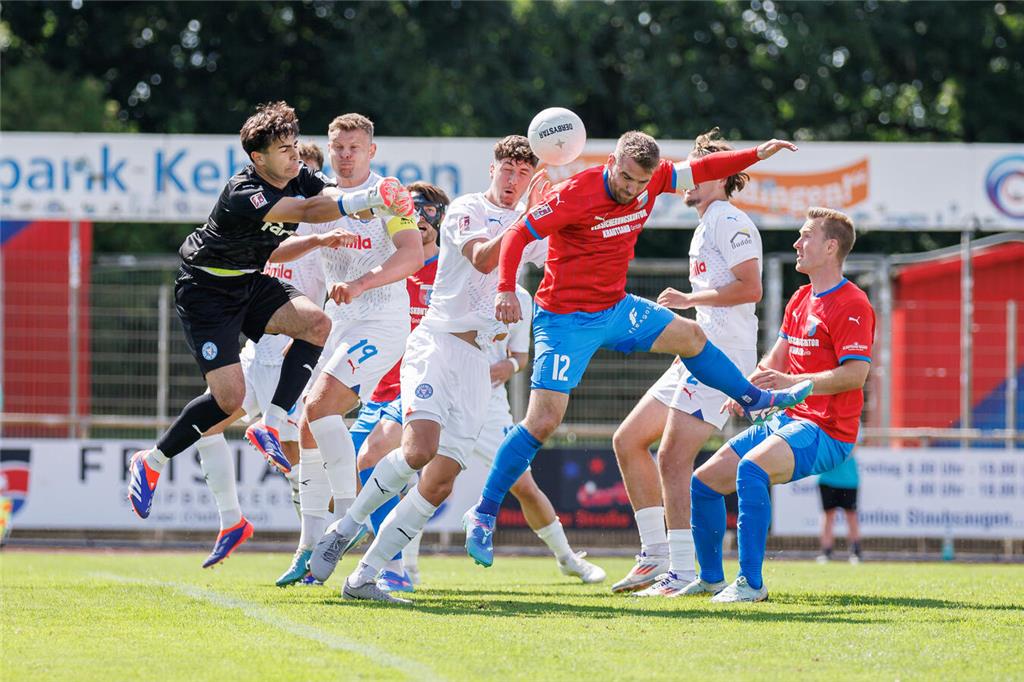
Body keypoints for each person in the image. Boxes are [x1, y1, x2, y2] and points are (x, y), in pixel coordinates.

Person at [464, 130, 809, 568]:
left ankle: (752, 397)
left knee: (691, 336)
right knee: (544, 420)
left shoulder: (658, 178)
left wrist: (757, 152)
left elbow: (705, 168)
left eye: (641, 183)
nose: (632, 189)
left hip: (615, 308)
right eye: (626, 178)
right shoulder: (576, 193)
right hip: (565, 320)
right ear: (612, 162)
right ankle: (484, 513)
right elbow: (516, 235)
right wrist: (504, 290)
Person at [126, 101, 414, 525]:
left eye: (295, 145)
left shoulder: (297, 173)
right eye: (284, 149)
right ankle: (152, 460)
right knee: (228, 400)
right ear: (258, 158)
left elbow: (327, 196)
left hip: (249, 281)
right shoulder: (245, 192)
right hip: (206, 290)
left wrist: (371, 202)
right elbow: (307, 211)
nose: (295, 155)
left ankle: (271, 423)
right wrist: (369, 197)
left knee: (316, 323)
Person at [308, 135, 548, 603]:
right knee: (419, 451)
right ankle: (346, 527)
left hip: (478, 362)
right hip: (437, 344)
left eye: (523, 173)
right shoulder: (467, 210)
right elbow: (484, 258)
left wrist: (564, 216)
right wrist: (531, 219)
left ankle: (365, 577)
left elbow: (557, 257)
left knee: (439, 482)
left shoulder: (529, 220)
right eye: (507, 169)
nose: (513, 180)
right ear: (493, 169)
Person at [688, 207, 875, 602]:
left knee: (751, 469)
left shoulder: (853, 303)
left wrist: (794, 383)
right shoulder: (802, 298)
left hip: (827, 430)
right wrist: (743, 391)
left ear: (830, 247)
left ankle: (751, 585)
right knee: (704, 482)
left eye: (806, 236)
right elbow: (775, 359)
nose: (796, 243)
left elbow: (856, 375)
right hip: (789, 419)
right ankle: (710, 579)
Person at [610, 128, 763, 596]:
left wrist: (688, 299)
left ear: (719, 176)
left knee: (673, 459)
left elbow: (751, 287)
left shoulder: (728, 219)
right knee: (628, 440)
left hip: (720, 355)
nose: (686, 180)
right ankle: (655, 556)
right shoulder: (708, 222)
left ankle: (681, 570)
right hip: (696, 352)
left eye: (697, 170)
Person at [275, 180, 447, 588]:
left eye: (429, 211)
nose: (420, 218)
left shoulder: (447, 268)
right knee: (321, 442)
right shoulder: (387, 259)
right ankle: (317, 547)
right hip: (376, 388)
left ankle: (391, 563)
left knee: (372, 461)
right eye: (414, 209)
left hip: (420, 385)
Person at [193, 141, 330, 569]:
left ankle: (313, 548)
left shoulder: (320, 230)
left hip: (291, 356)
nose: (292, 176)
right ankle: (231, 520)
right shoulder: (263, 221)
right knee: (207, 425)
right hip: (257, 353)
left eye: (302, 171)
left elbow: (332, 295)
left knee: (297, 459)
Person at [816, 454, 862, 564]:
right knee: (828, 515)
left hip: (849, 480)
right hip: (827, 480)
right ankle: (826, 552)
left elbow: (851, 450)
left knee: (851, 516)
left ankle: (855, 552)